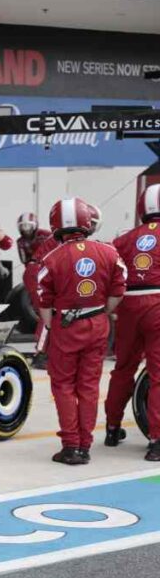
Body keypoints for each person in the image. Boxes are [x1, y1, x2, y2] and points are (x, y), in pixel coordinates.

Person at [37, 197, 127, 465]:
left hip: (66, 324)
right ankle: (85, 446)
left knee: (64, 385)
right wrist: (101, 311)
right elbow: (118, 290)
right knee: (88, 386)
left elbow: (43, 301)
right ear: (87, 222)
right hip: (98, 322)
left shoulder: (51, 258)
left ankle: (70, 446)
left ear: (56, 225)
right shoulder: (109, 252)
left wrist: (55, 325)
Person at [104, 185, 160, 460]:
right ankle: (157, 441)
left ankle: (112, 428)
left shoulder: (124, 240)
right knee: (159, 373)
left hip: (128, 304)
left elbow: (109, 272)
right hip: (158, 303)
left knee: (123, 368)